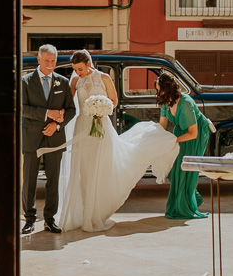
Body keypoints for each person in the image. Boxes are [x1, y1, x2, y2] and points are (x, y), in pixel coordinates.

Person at [44, 50, 179, 233]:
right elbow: (68, 102)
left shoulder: (104, 78)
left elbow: (114, 101)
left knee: (100, 167)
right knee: (84, 169)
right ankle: (84, 213)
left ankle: (96, 212)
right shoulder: (76, 81)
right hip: (83, 124)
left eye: (81, 69)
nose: (79, 73)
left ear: (89, 64)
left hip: (101, 126)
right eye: (76, 69)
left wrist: (102, 108)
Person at [20, 44, 77, 234]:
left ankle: (50, 219)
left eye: (53, 61)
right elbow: (22, 108)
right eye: (47, 61)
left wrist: (57, 125)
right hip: (31, 138)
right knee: (29, 180)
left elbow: (71, 109)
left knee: (53, 179)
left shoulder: (62, 81)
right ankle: (29, 219)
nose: (51, 65)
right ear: (38, 59)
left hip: (55, 138)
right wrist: (47, 114)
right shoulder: (25, 81)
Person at [157, 71, 211, 220]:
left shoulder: (185, 103)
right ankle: (193, 197)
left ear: (168, 89)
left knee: (184, 168)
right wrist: (155, 140)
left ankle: (185, 205)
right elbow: (162, 125)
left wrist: (172, 141)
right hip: (180, 133)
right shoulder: (166, 102)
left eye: (160, 89)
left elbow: (193, 133)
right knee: (172, 169)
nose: (158, 92)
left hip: (196, 134)